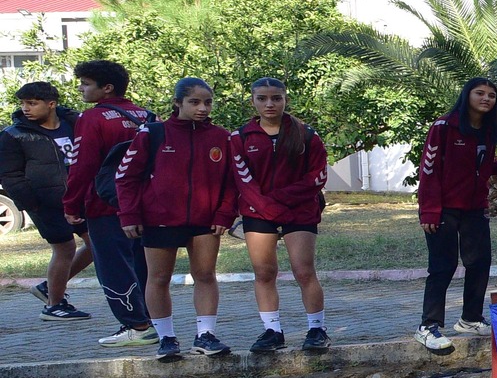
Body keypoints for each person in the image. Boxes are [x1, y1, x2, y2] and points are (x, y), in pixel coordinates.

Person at [117, 76, 236, 362]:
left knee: (205, 275)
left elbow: (232, 182)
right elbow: (126, 177)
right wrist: (129, 214)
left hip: (205, 220)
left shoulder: (222, 137)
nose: (202, 108)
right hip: (158, 218)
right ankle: (166, 338)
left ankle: (205, 335)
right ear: (177, 103)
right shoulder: (153, 133)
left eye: (207, 102)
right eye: (194, 102)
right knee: (158, 278)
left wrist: (224, 213)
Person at [417, 78, 497, 352]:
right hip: (443, 210)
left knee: (480, 262)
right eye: (479, 93)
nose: (486, 99)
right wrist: (429, 210)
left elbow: (483, 169)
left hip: (475, 209)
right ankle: (428, 326)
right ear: (467, 95)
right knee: (443, 266)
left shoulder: (487, 131)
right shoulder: (443, 127)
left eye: (491, 95)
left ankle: (470, 318)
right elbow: (429, 170)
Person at [230, 77, 329, 352]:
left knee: (304, 271)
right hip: (258, 212)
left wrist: (282, 200)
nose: (269, 104)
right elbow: (242, 180)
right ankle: (272, 331)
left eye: (276, 98)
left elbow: (318, 175)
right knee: (264, 272)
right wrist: (266, 207)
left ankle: (316, 330)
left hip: (300, 210)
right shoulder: (240, 137)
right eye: (262, 98)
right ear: (253, 101)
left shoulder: (305, 134)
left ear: (286, 99)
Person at [62, 60, 156, 345]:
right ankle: (154, 323)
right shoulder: (147, 115)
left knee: (113, 265)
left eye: (86, 83)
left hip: (104, 205)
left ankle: (137, 326)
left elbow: (82, 166)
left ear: (107, 88)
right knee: (144, 264)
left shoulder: (92, 118)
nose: (81, 88)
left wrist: (71, 204)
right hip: (143, 203)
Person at [2, 81, 93, 320]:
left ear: (51, 104)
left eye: (32, 103)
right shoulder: (14, 135)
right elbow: (10, 175)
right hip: (44, 203)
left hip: (78, 198)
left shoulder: (74, 124)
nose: (25, 109)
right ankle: (54, 305)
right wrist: (30, 203)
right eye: (23, 103)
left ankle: (49, 287)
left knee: (96, 243)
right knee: (64, 248)